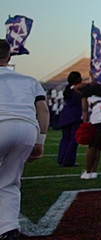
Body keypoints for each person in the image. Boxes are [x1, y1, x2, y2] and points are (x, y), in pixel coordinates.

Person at [0, 40, 49, 239]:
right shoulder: (29, 80)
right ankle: (8, 229)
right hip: (27, 128)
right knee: (10, 181)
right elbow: (43, 110)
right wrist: (40, 140)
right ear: (9, 57)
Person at [57, 71, 83, 167]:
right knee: (74, 139)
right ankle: (69, 160)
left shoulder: (68, 89)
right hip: (74, 115)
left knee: (65, 139)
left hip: (65, 115)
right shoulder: (77, 88)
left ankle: (61, 158)